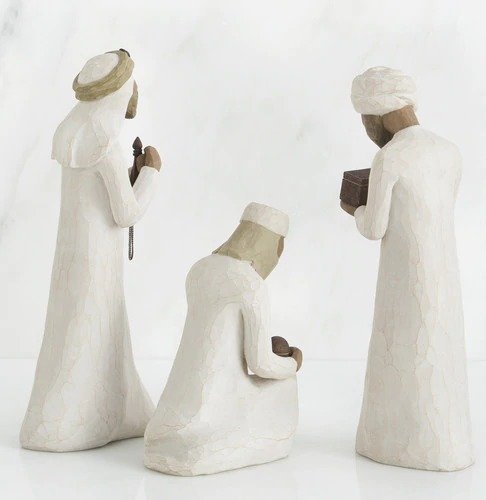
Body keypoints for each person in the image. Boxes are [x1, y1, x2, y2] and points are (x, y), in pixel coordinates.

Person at [20, 50, 162, 452]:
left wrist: (132, 176)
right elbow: (125, 212)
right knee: (94, 321)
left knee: (76, 324)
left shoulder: (78, 134)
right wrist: (151, 174)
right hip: (98, 259)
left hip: (73, 252)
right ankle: (88, 416)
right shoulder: (106, 143)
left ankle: (103, 407)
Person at [342, 66, 473, 471]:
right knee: (440, 353)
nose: (367, 130)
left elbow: (374, 228)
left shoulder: (390, 157)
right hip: (444, 274)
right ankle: (446, 444)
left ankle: (392, 442)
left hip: (403, 276)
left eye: (365, 120)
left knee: (400, 350)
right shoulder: (450, 151)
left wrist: (353, 207)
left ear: (376, 115)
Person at [144, 203, 302, 476]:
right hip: (216, 406)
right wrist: (293, 363)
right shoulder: (250, 283)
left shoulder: (200, 268)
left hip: (168, 416)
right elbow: (261, 363)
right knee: (286, 383)